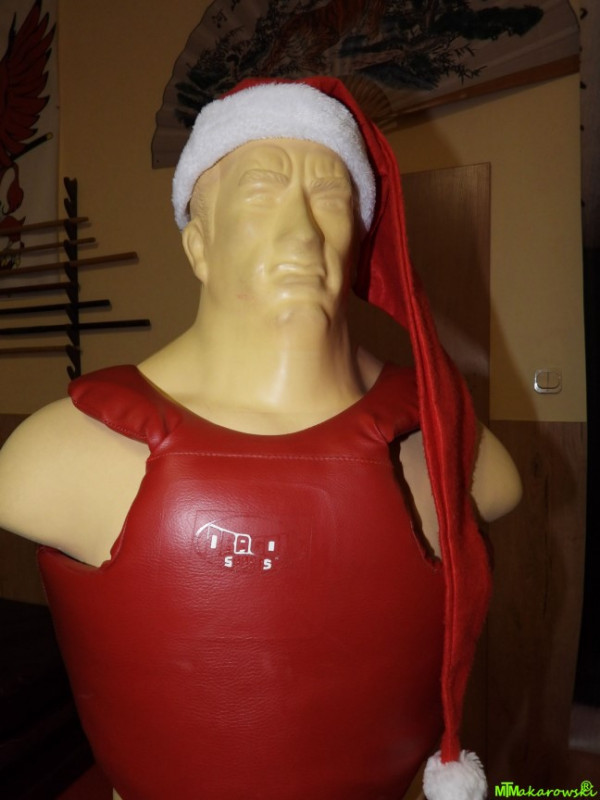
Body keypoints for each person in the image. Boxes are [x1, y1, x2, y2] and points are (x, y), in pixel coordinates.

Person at [0, 78, 521, 800]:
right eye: (262, 189)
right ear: (198, 243)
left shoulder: (449, 439)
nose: (303, 233)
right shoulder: (56, 453)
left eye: (330, 196)